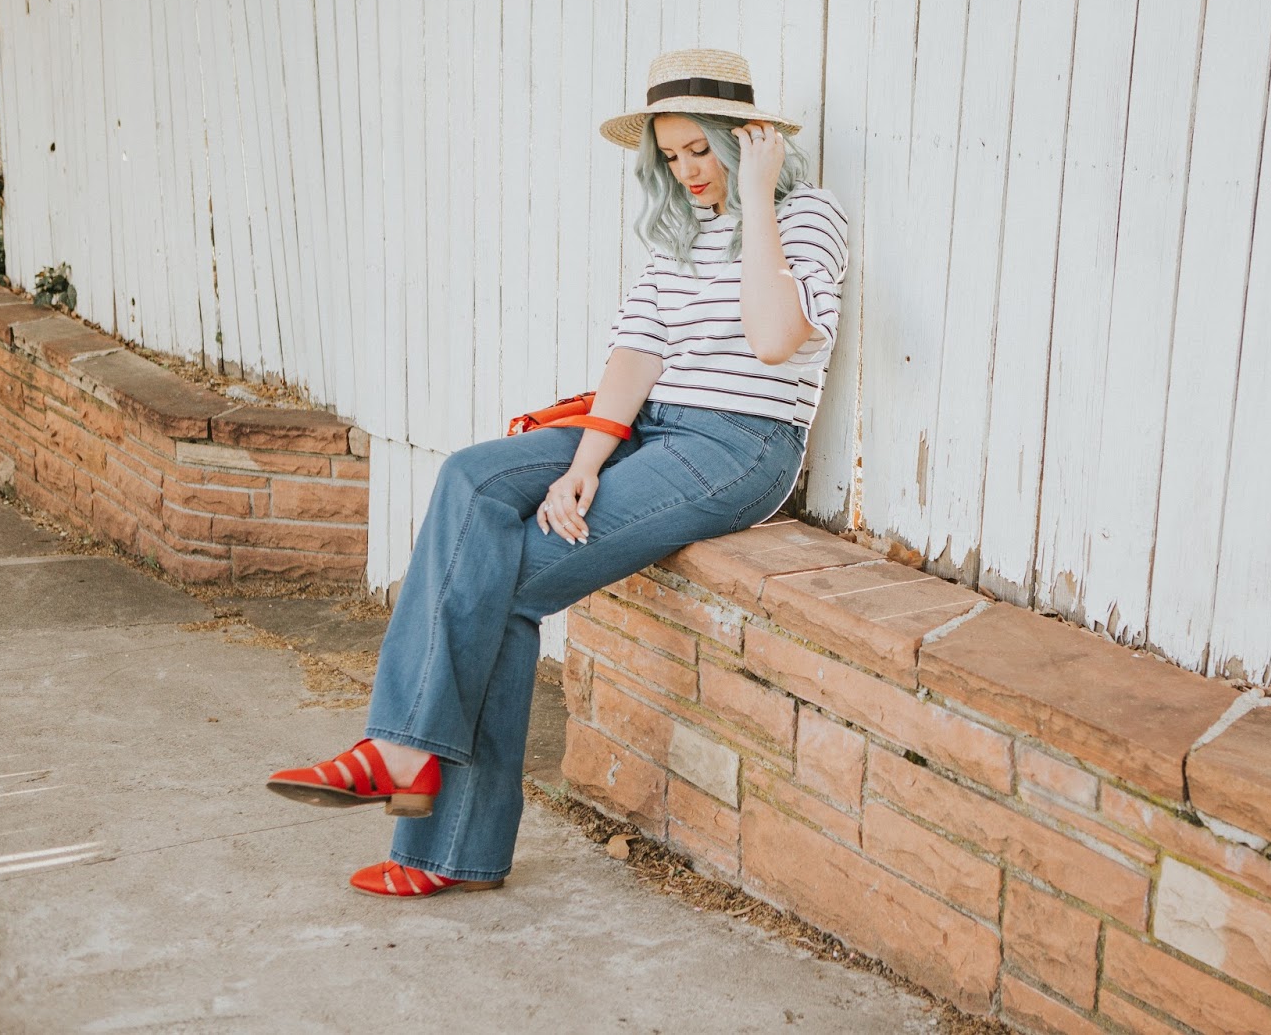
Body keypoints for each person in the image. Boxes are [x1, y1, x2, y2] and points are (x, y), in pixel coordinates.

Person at [265, 49, 848, 897]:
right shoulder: (675, 234)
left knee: (499, 582)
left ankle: (414, 784)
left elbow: (773, 340)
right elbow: (636, 355)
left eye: (701, 150)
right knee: (469, 475)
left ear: (744, 141)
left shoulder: (805, 214)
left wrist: (756, 196)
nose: (686, 171)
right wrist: (583, 465)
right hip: (653, 428)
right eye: (671, 154)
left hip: (740, 447)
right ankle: (432, 814)